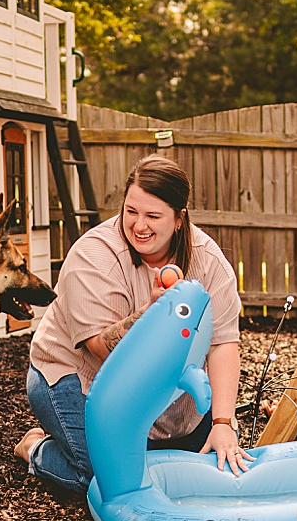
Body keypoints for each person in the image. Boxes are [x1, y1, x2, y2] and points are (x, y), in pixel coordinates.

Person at [16, 156, 252, 491]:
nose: (139, 226)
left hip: (164, 387)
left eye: (153, 216)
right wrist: (152, 314)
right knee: (105, 481)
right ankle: (36, 449)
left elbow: (223, 342)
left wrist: (223, 422)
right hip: (76, 377)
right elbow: (101, 350)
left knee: (203, 467)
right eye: (131, 212)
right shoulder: (93, 255)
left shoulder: (208, 261)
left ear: (179, 219)